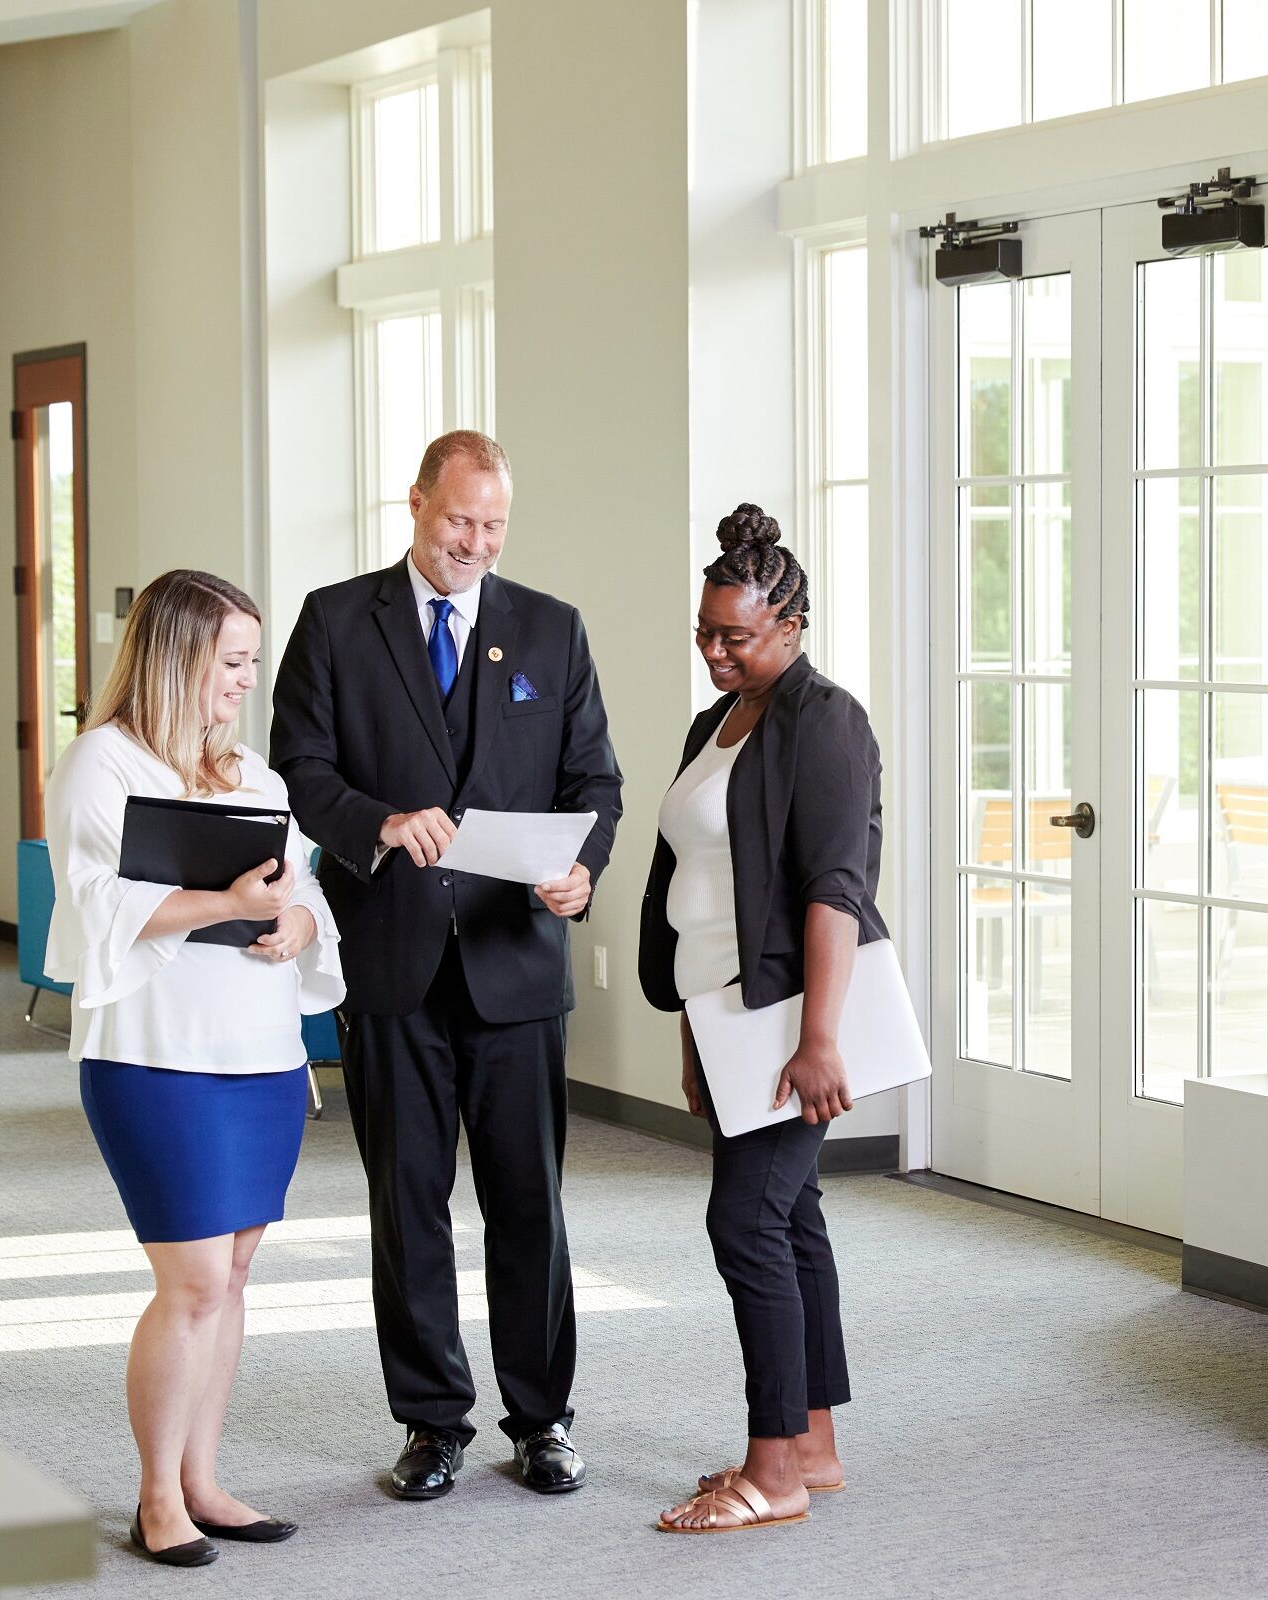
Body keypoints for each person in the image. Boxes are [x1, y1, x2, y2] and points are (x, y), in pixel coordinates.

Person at [270, 429, 622, 1502]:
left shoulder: (552, 629)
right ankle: (431, 1422)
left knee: (530, 1205)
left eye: (493, 526)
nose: (474, 542)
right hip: (393, 964)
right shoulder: (336, 620)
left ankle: (543, 1418)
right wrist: (378, 822)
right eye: (459, 519)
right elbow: (300, 768)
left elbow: (594, 783)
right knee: (408, 1205)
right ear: (417, 502)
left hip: (517, 965)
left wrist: (583, 871)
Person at [43, 569, 343, 1568]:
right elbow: (96, 907)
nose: (247, 681)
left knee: (236, 1271)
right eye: (233, 661)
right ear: (176, 659)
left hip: (260, 1054)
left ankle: (204, 1481)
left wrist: (294, 924)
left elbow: (304, 892)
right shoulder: (101, 763)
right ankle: (156, 1498)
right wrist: (228, 904)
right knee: (195, 1280)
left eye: (253, 661)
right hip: (154, 1055)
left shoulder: (252, 774)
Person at [639, 504, 885, 1534]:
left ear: (791, 625)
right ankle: (812, 1446)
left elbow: (834, 887)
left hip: (791, 1017)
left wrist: (818, 1038)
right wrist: (692, 1027)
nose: (714, 651)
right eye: (705, 631)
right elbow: (698, 879)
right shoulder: (719, 722)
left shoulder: (823, 720)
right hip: (727, 1013)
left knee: (744, 1221)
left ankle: (772, 1470)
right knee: (789, 1216)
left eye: (735, 636)